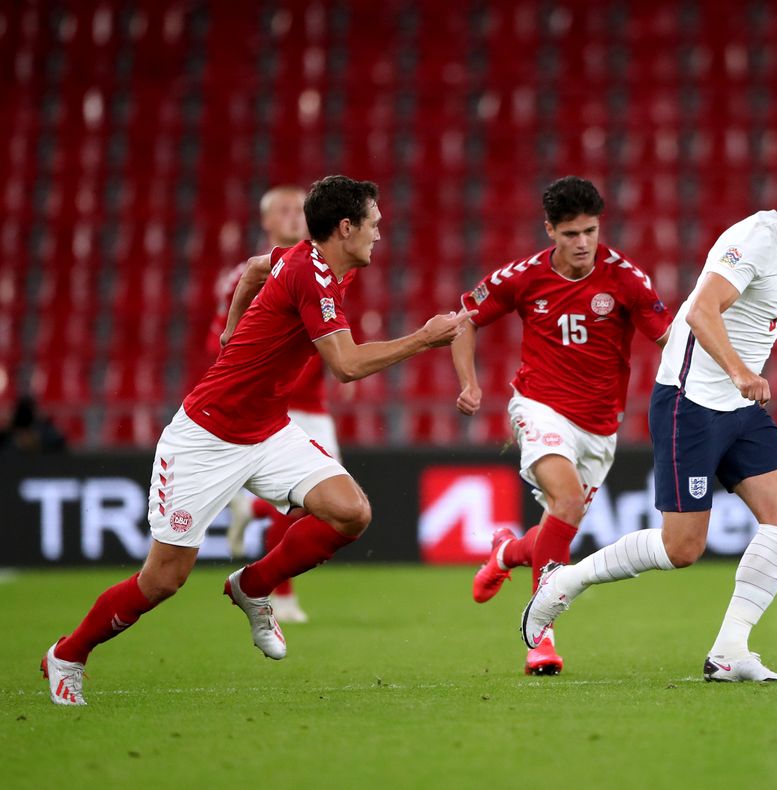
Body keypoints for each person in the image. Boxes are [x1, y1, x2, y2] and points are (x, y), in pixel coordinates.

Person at [40, 176, 474, 705]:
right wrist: (425, 338)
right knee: (163, 580)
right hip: (205, 437)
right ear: (345, 227)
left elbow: (252, 269)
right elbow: (346, 365)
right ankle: (69, 653)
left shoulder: (311, 258)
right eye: (374, 224)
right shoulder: (314, 274)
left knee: (350, 512)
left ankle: (253, 585)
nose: (380, 235)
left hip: (267, 428)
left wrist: (230, 329)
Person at [520, 152, 777, 682]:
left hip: (742, 407)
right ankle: (564, 582)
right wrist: (739, 372)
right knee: (682, 548)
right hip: (692, 401)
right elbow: (701, 310)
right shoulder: (754, 238)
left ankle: (731, 651)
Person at [456, 176, 672, 676]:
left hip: (600, 429)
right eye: (571, 233)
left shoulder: (626, 280)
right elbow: (463, 319)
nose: (583, 244)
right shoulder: (523, 276)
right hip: (539, 406)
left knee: (560, 523)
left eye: (591, 232)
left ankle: (507, 552)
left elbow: (669, 340)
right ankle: (541, 636)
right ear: (549, 230)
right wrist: (469, 382)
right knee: (569, 503)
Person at [213, 185, 337, 623]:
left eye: (298, 211)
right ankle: (278, 594)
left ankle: (253, 510)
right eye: (282, 211)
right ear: (265, 222)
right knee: (312, 501)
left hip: (314, 405)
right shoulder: (243, 276)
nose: (292, 218)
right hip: (271, 404)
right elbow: (227, 339)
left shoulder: (324, 267)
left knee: (327, 506)